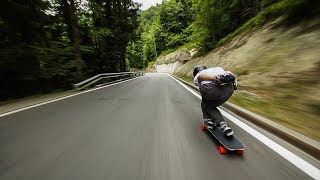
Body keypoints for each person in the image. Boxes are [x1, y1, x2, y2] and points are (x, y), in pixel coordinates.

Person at [193, 66, 237, 136]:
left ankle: (212, 121)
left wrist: (213, 78)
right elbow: (230, 73)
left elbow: (200, 76)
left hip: (212, 90)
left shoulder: (199, 74)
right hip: (229, 90)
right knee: (210, 106)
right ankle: (221, 125)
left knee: (206, 105)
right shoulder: (217, 69)